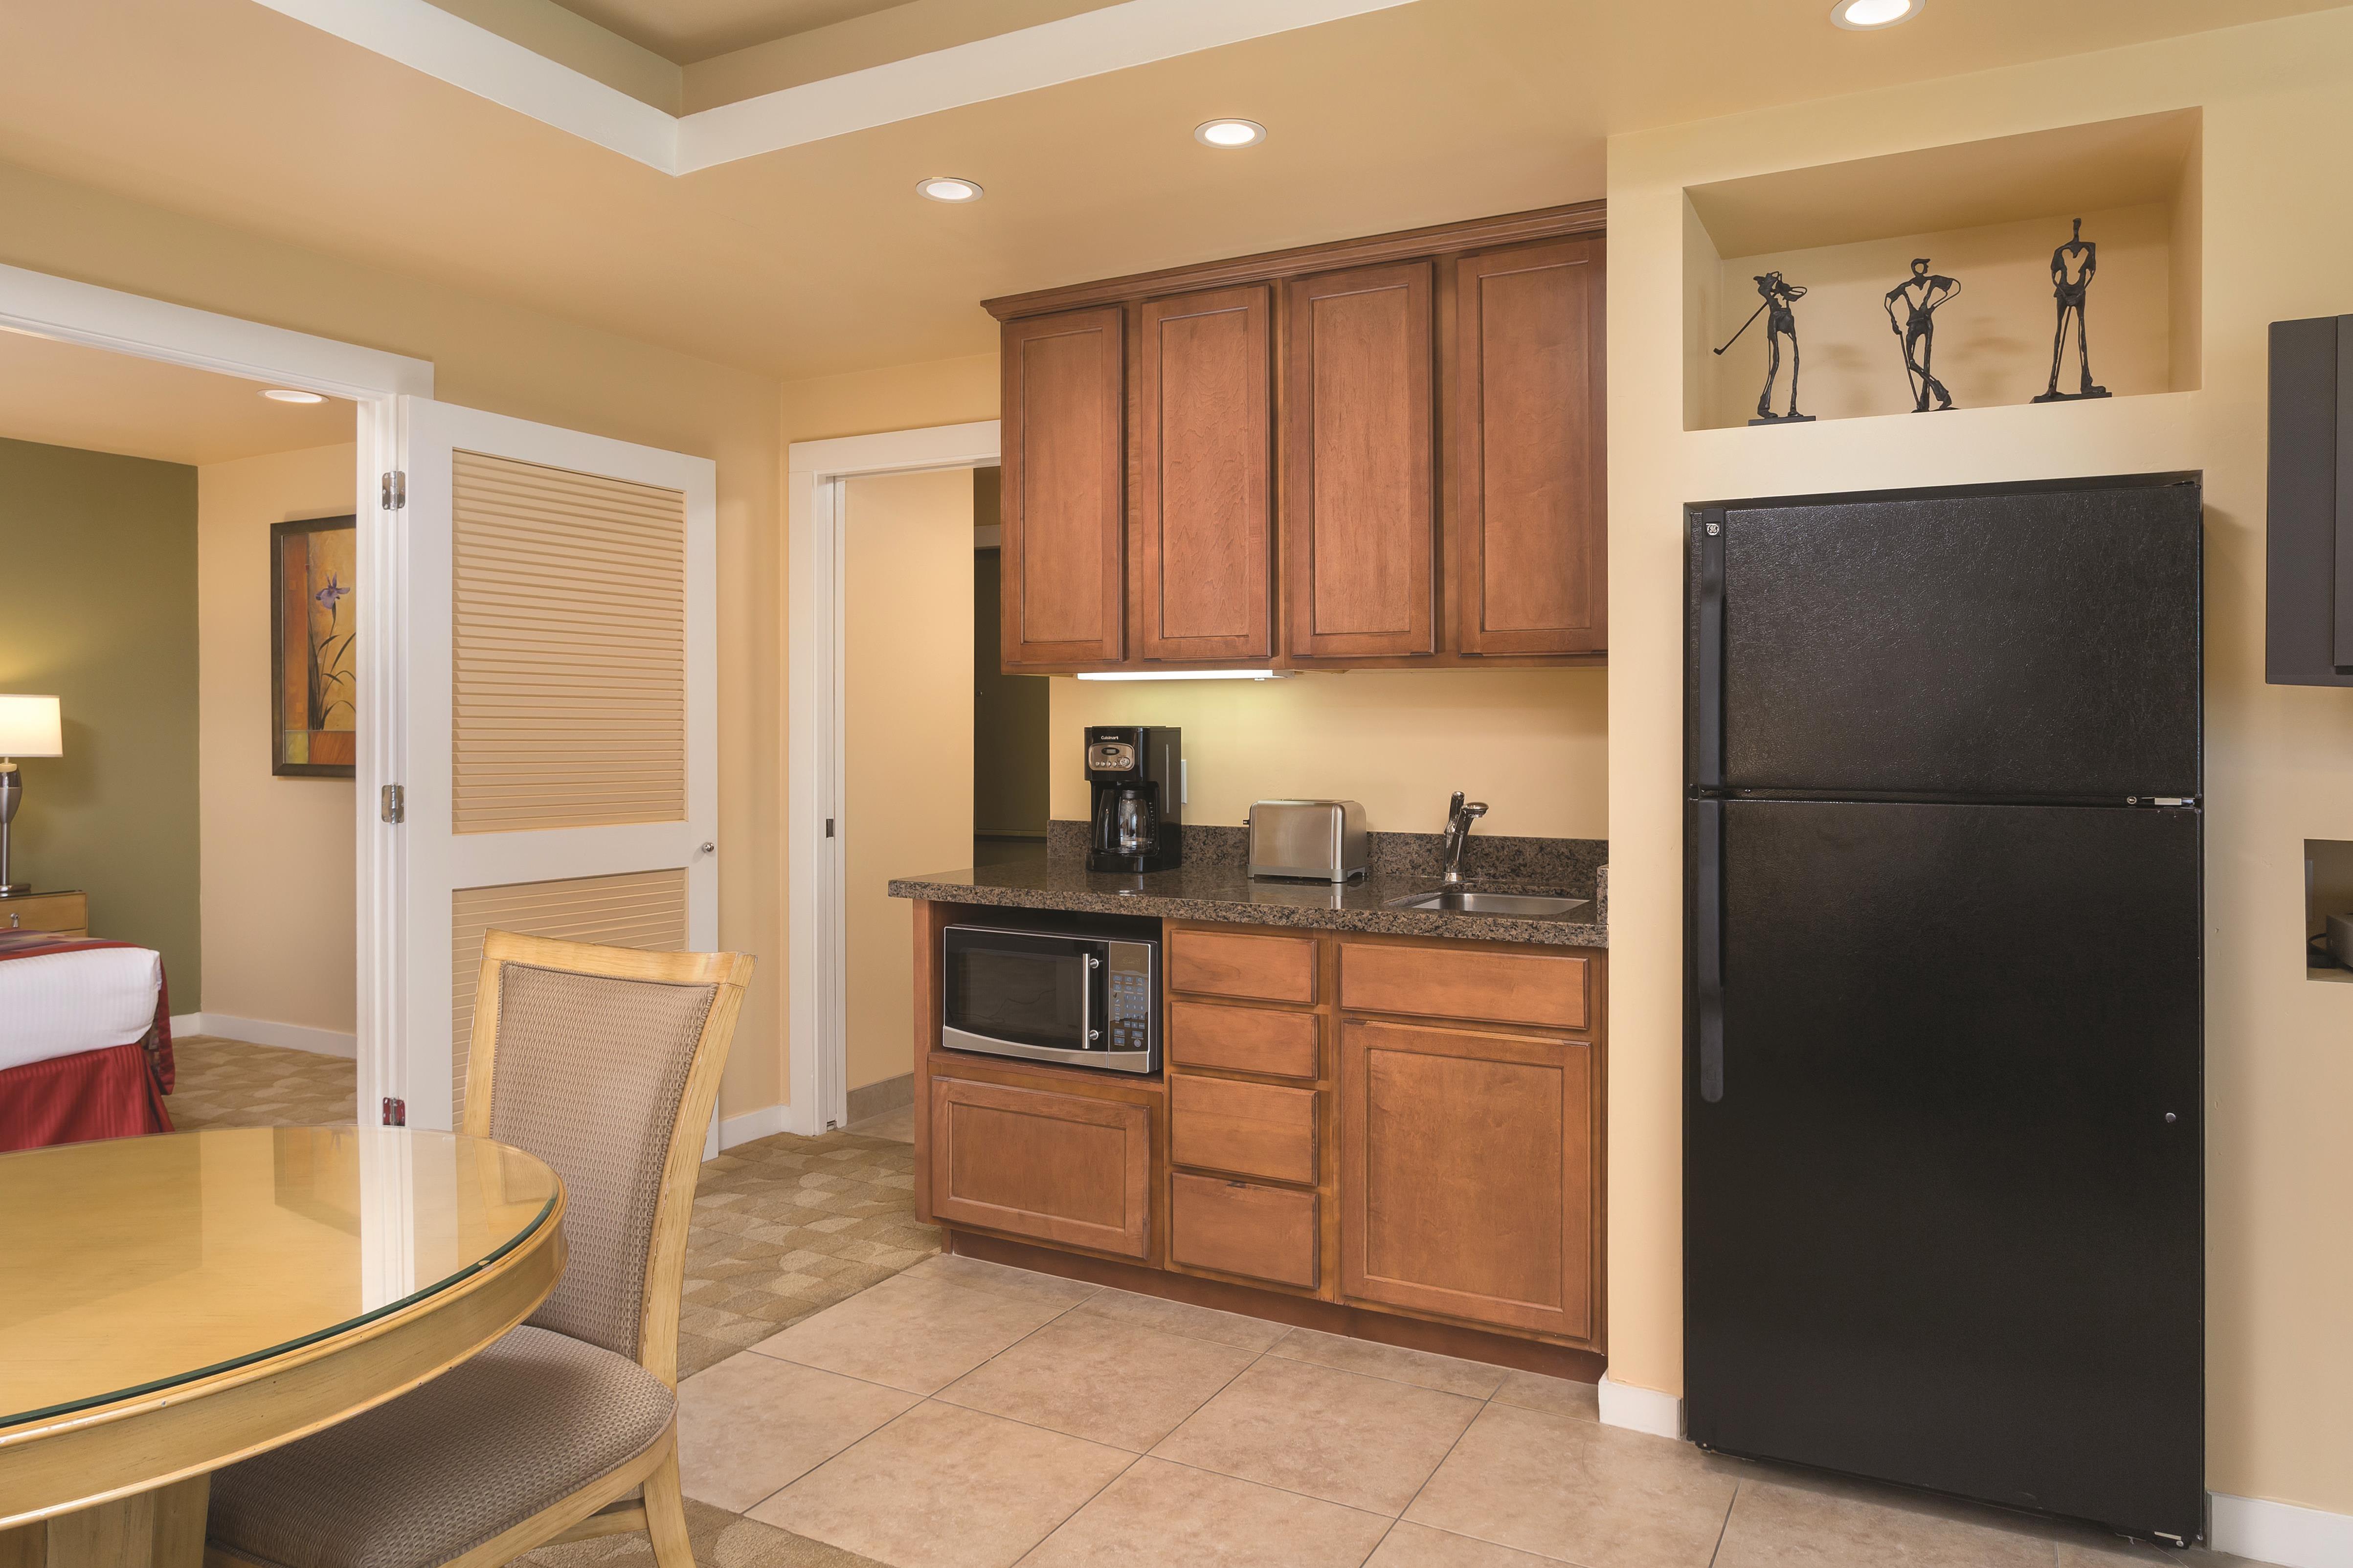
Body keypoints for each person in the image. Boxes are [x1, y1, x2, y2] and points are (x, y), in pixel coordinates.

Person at [2036, 218, 2109, 401]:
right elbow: (2054, 277)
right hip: (2063, 292)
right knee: (2059, 335)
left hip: (2079, 291)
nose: (2076, 230)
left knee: (2082, 335)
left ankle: (2086, 383)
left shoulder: (2089, 249)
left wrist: (2080, 293)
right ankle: (2052, 384)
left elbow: (2091, 274)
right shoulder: (2060, 252)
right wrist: (2064, 294)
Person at [1885, 258, 1961, 412]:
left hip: (1926, 323)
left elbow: (1955, 287)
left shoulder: (1933, 281)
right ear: (1916, 268)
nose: (1924, 269)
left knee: (1927, 361)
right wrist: (1894, 322)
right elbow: (1888, 301)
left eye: (1924, 267)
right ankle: (1939, 392)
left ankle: (1926, 401)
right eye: (1922, 266)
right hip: (1913, 325)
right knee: (1911, 362)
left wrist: (1933, 306)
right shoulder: (1905, 287)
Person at [1753, 271, 1808, 421]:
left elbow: (1796, 295)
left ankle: (1793, 408)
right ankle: (1763, 407)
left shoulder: (1784, 299)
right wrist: (1769, 289)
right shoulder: (1771, 298)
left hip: (1787, 319)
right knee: (1776, 362)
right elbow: (1765, 292)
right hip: (1777, 318)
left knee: (1796, 360)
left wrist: (1783, 291)